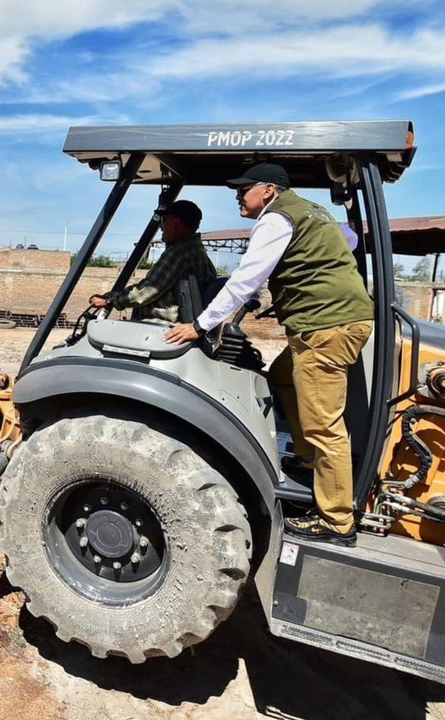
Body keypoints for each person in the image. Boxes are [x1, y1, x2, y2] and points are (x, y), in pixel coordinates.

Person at [164, 163, 372, 546]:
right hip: (339, 319)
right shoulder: (313, 211)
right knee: (281, 377)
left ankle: (337, 520)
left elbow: (247, 277)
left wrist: (201, 324)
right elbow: (314, 265)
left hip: (324, 328)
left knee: (323, 425)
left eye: (244, 190)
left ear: (269, 191)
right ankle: (308, 460)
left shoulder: (275, 219)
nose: (238, 196)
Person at [89, 200, 216, 322]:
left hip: (162, 325)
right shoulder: (195, 249)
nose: (161, 226)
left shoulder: (179, 252)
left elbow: (145, 292)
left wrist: (110, 300)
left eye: (164, 220)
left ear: (177, 222)